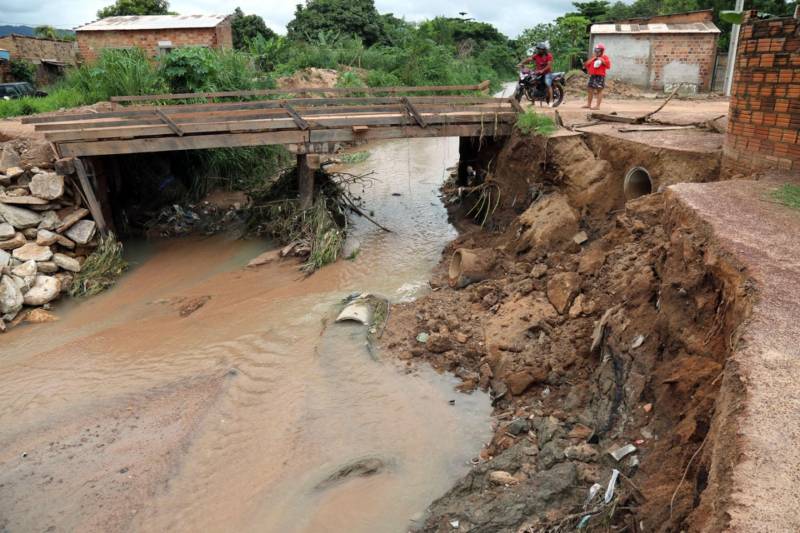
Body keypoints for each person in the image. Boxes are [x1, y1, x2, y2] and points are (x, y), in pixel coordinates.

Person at [518, 42, 555, 106]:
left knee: (548, 84)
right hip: (538, 72)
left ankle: (551, 100)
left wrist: (542, 70)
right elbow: (529, 59)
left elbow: (549, 65)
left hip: (547, 73)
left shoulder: (549, 55)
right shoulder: (536, 55)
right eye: (538, 49)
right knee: (532, 83)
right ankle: (533, 102)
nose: (539, 50)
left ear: (544, 49)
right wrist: (522, 63)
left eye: (540, 49)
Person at [584, 43, 611, 110]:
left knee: (599, 90)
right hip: (592, 75)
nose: (597, 52)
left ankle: (597, 106)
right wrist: (594, 58)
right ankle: (588, 104)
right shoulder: (593, 57)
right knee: (590, 90)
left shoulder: (605, 57)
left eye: (598, 51)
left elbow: (608, 66)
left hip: (600, 76)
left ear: (602, 51)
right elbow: (586, 64)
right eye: (596, 50)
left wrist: (602, 60)